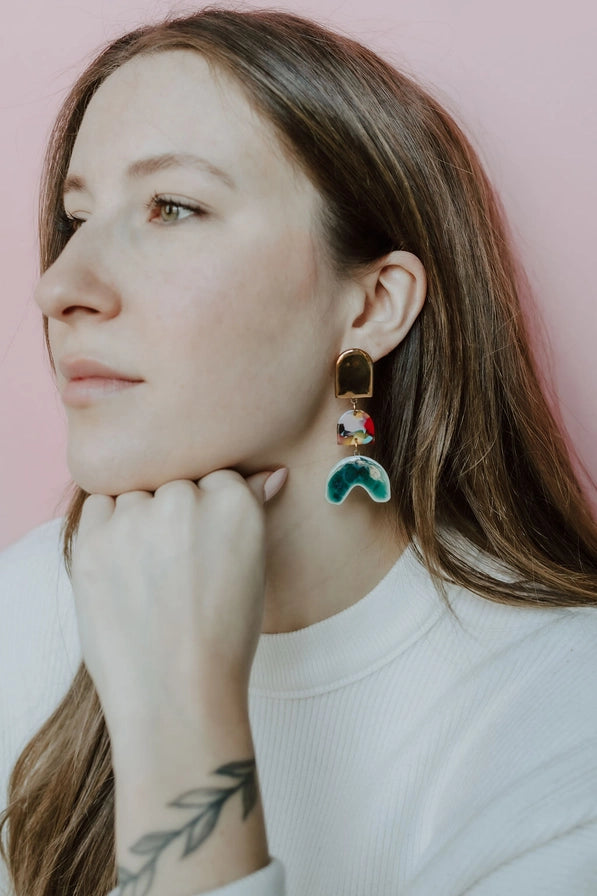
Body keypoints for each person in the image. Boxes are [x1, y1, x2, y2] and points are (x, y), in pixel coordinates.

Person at [1, 7, 597, 895]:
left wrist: (179, 711)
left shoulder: (560, 718)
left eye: (173, 207)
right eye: (76, 214)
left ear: (370, 306)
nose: (61, 286)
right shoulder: (32, 599)